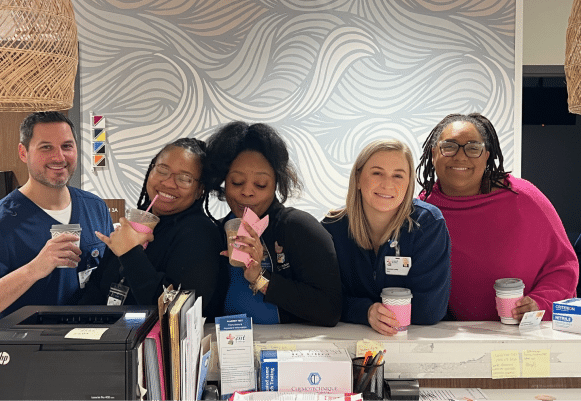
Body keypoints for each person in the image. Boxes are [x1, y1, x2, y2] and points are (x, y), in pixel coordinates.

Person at [417, 112, 579, 321]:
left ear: (487, 155)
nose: (460, 156)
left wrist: (539, 303)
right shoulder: (423, 211)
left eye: (473, 148)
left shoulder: (524, 198)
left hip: (520, 333)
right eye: (449, 146)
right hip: (451, 334)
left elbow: (563, 266)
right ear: (433, 153)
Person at [203, 121, 342, 326]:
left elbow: (330, 310)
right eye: (237, 182)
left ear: (276, 183)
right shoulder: (217, 233)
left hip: (285, 344)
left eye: (260, 184)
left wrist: (259, 277)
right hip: (227, 342)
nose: (247, 192)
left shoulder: (298, 228)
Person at [80, 138, 225, 319]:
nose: (169, 183)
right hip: (108, 333)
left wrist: (130, 254)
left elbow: (177, 313)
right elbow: (96, 288)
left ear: (199, 190)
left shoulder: (201, 234)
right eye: (162, 170)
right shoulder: (137, 221)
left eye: (184, 178)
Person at [322, 139, 451, 336]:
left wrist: (368, 311)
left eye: (398, 175)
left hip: (416, 340)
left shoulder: (428, 224)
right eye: (377, 173)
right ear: (358, 178)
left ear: (408, 184)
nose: (387, 184)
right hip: (347, 339)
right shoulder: (332, 228)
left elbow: (429, 310)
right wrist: (365, 312)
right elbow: (322, 301)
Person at [0, 111, 113, 318]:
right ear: (23, 152)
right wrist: (34, 269)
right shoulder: (4, 220)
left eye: (66, 146)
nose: (59, 157)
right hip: (26, 338)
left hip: (91, 334)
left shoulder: (96, 208)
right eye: (46, 147)